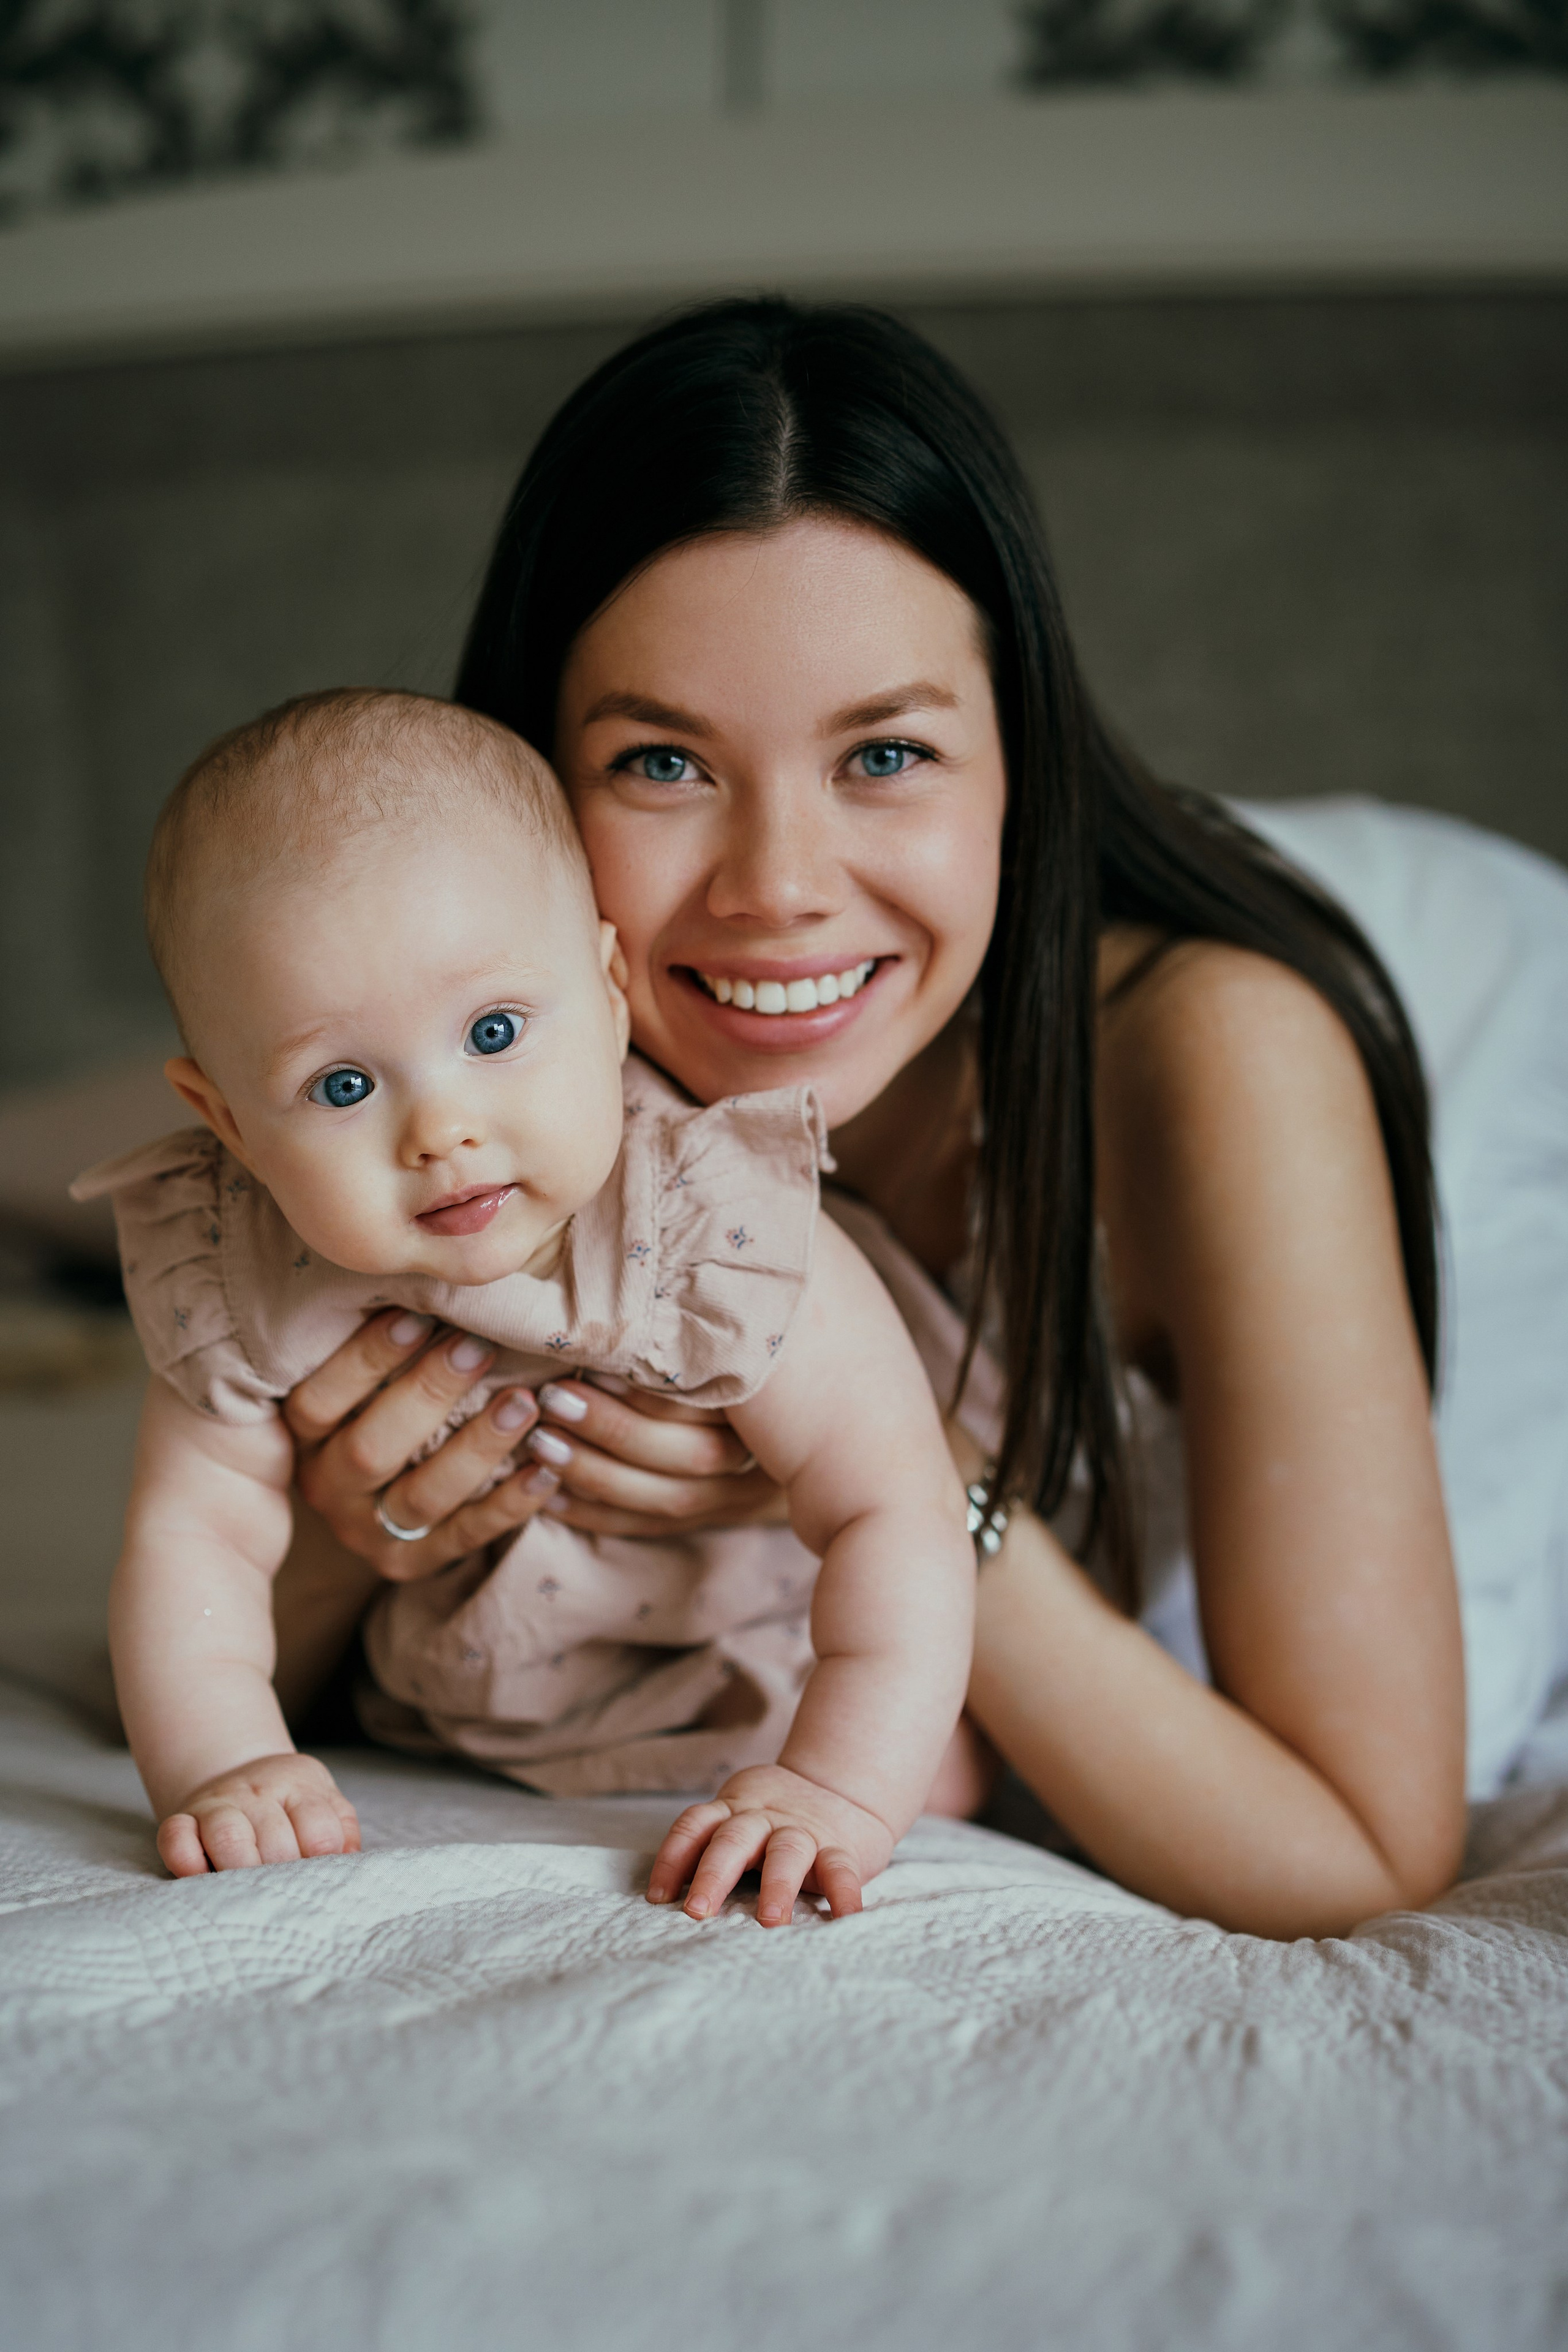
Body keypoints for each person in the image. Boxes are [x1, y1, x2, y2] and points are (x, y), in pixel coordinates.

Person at [268, 296, 1561, 1942]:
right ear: (526, 774)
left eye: (885, 751)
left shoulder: (1225, 1058)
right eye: (662, 765)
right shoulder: (501, 1049)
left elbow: (1364, 1853)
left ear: (1020, 761)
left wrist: (896, 1469)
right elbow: (241, 1625)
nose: (778, 890)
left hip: (1483, 1020)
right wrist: (351, 1522)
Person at [78, 688, 973, 1921]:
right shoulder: (249, 1271)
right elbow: (194, 1541)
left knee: (943, 1756)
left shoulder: (713, 1228)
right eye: (341, 1084)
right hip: (444, 1713)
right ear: (226, 1120)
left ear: (607, 996)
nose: (440, 1130)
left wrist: (839, 1788)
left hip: (759, 1695)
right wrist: (227, 1763)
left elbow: (892, 1510)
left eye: (494, 1030)